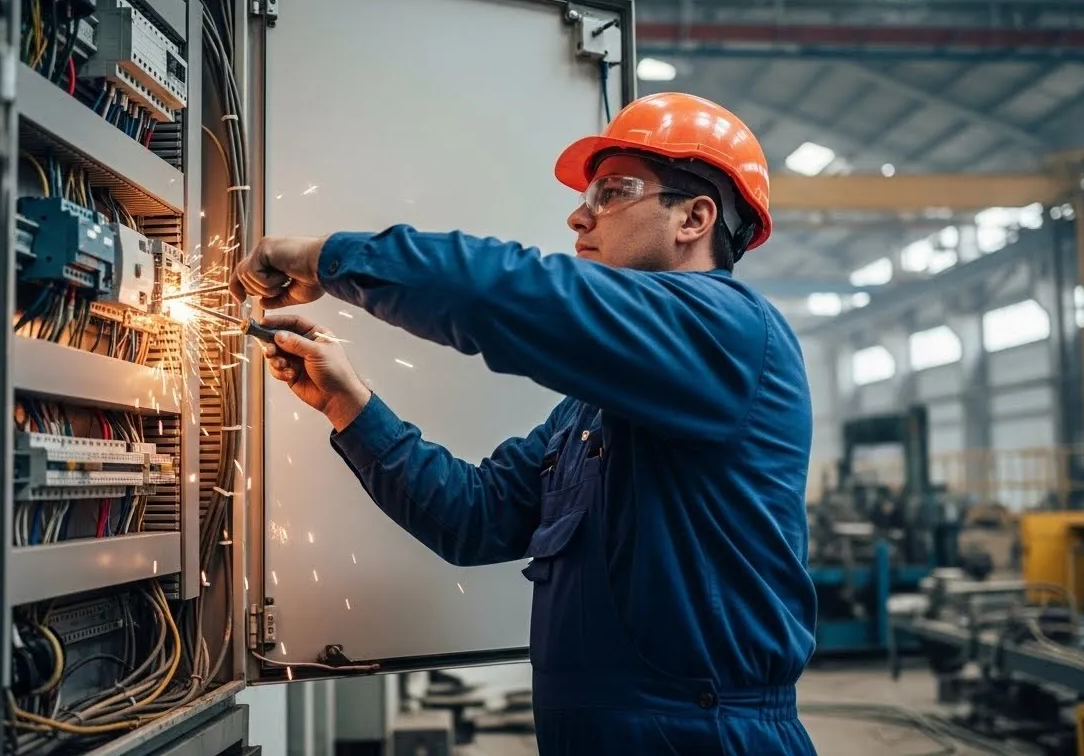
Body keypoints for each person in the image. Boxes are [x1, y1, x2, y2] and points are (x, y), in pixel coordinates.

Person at [229, 93, 818, 755]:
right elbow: (472, 518)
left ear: (693, 216)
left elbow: (502, 293)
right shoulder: (591, 412)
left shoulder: (730, 332)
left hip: (706, 738)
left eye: (610, 192)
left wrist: (322, 256)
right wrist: (348, 404)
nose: (578, 214)